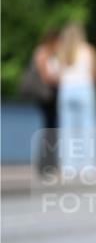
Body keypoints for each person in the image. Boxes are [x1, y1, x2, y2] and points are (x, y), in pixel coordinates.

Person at [57, 22, 96, 177]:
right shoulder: (88, 50)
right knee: (87, 129)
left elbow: (58, 75)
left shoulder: (63, 52)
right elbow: (95, 75)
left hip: (66, 90)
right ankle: (88, 167)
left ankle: (68, 167)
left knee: (67, 130)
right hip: (84, 89)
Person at [27, 29, 60, 173]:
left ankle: (49, 162)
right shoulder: (42, 52)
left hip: (51, 95)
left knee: (51, 129)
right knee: (50, 129)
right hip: (46, 96)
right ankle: (46, 163)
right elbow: (46, 76)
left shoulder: (51, 54)